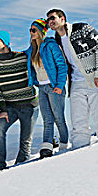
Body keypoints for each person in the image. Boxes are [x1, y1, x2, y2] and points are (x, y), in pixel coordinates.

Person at [46, 8, 98, 149]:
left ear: (62, 19)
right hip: (76, 83)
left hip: (94, 80)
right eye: (48, 20)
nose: (50, 22)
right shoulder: (57, 40)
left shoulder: (82, 28)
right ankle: (79, 151)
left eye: (53, 18)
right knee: (78, 122)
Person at [0, 31, 39, 171]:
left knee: (25, 142)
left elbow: (35, 47)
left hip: (30, 105)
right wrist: (2, 109)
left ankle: (19, 170)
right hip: (10, 108)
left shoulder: (22, 57)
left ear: (5, 42)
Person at [24, 19, 69, 158]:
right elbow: (20, 56)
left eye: (34, 30)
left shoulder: (50, 45)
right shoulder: (31, 50)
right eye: (30, 30)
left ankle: (63, 145)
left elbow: (62, 65)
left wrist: (60, 86)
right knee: (47, 119)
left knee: (59, 118)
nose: (31, 33)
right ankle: (47, 147)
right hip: (42, 88)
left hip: (54, 87)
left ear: (41, 31)